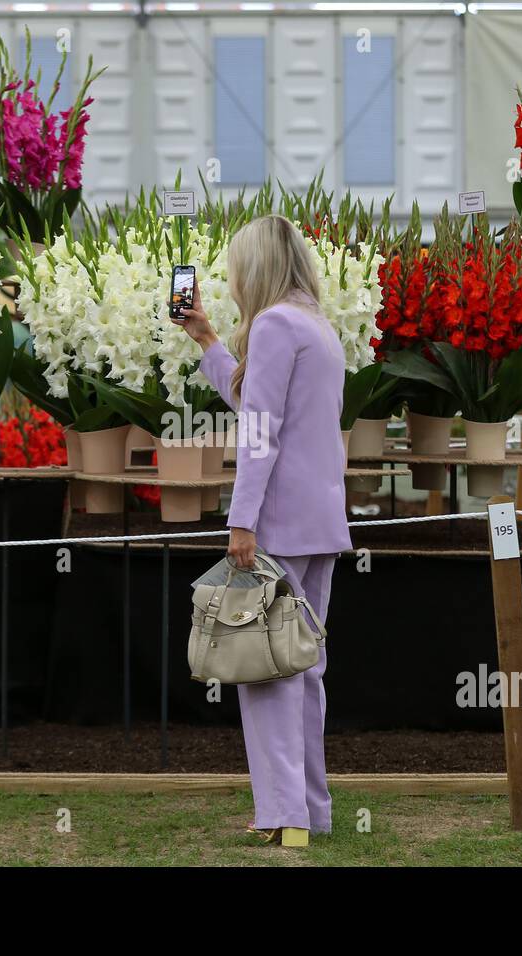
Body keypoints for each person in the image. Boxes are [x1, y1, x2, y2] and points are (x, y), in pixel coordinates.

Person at [175, 214, 351, 847]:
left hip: (277, 523)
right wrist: (209, 341)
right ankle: (310, 812)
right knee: (302, 668)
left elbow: (257, 434)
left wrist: (241, 520)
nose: (228, 278)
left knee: (264, 670)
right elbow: (260, 407)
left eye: (235, 267)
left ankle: (284, 818)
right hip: (321, 523)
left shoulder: (276, 325)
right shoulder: (316, 326)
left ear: (257, 268)